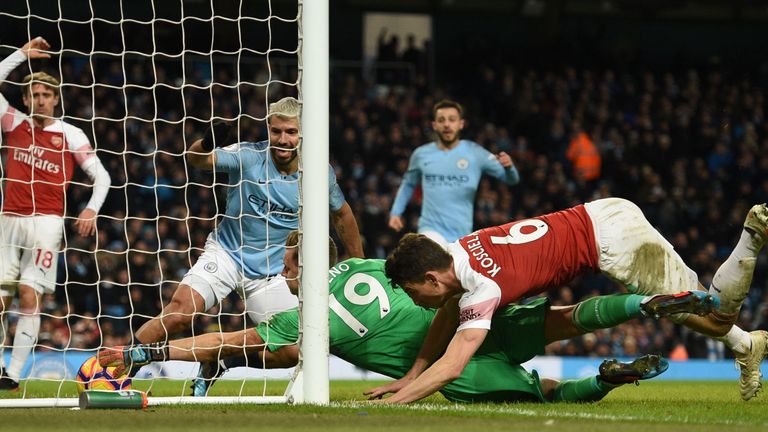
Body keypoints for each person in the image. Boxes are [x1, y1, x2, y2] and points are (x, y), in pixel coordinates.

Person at [98, 230, 716, 403]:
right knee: (562, 317)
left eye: (289, 262)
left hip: (449, 365)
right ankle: (641, 304)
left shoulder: (312, 316)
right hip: (478, 317)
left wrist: (146, 353)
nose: (284, 271)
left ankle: (603, 380)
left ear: (301, 270)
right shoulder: (367, 266)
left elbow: (230, 338)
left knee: (548, 391)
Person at [374, 198, 768, 403]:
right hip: (599, 212)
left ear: (430, 278)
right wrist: (413, 372)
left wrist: (392, 406)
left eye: (412, 292)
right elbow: (445, 310)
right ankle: (747, 345)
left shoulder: (483, 288)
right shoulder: (454, 250)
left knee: (715, 316)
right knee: (700, 316)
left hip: (611, 242)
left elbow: (453, 368)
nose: (414, 300)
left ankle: (752, 233)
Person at [131, 97, 364, 351]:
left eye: (291, 132)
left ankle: (222, 359)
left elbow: (342, 215)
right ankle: (114, 366)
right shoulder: (249, 156)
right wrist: (207, 143)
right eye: (276, 131)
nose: (283, 139)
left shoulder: (318, 172)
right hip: (227, 255)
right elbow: (197, 159)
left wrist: (359, 264)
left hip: (275, 273)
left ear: (303, 133)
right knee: (179, 315)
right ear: (268, 128)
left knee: (293, 349)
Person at [0, 37, 112, 390]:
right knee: (0, 300)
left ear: (56, 98)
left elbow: (102, 176)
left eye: (46, 95)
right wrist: (21, 55)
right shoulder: (13, 122)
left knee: (30, 296)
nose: (40, 100)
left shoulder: (71, 134)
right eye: (34, 94)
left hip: (47, 222)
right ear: (25, 98)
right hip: (8, 218)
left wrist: (91, 209)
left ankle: (13, 374)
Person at [388, 99, 520, 248]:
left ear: (461, 124)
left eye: (452, 120)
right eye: (441, 120)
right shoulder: (421, 154)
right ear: (434, 125)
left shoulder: (475, 153)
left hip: (462, 236)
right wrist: (395, 212)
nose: (446, 124)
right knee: (430, 258)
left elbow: (511, 180)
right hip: (430, 229)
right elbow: (408, 184)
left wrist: (509, 167)